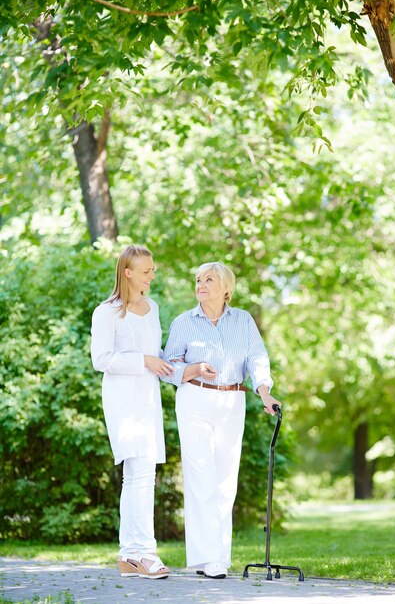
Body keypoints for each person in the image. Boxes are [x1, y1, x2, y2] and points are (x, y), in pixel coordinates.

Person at [162, 261, 280, 579]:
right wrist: (195, 369)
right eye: (198, 279)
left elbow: (257, 357)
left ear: (226, 288)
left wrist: (264, 392)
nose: (200, 284)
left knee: (225, 481)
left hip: (232, 399)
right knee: (200, 476)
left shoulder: (242, 321)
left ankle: (216, 557)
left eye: (208, 279)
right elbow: (168, 364)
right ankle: (207, 559)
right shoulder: (183, 322)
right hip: (194, 398)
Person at [91, 245, 174, 580]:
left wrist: (185, 367)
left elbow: (157, 354)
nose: (151, 276)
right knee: (139, 475)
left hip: (148, 399)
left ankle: (128, 554)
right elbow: (101, 359)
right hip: (123, 402)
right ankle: (147, 554)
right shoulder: (106, 312)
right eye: (146, 271)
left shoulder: (152, 308)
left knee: (139, 476)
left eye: (152, 270)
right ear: (127, 272)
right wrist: (143, 361)